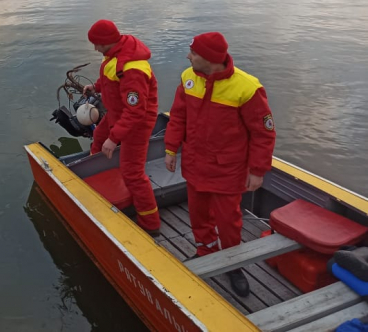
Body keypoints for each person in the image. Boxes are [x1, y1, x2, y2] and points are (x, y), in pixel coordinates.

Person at [164, 32, 276, 298]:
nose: (188, 56)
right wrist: (170, 149)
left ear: (209, 59)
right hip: (195, 165)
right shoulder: (188, 79)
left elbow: (264, 133)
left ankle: (232, 264)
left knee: (229, 222)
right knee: (198, 215)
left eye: (192, 53)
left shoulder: (246, 88)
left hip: (228, 171)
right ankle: (205, 251)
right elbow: (178, 117)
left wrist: (257, 171)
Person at [82, 20, 161, 235]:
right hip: (118, 113)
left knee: (133, 173)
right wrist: (96, 86)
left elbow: (136, 111)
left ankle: (150, 223)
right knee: (98, 136)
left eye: (97, 44)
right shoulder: (116, 53)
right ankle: (96, 179)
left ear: (106, 42)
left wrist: (114, 137)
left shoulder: (133, 68)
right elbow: (111, 77)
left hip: (137, 123)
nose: (95, 48)